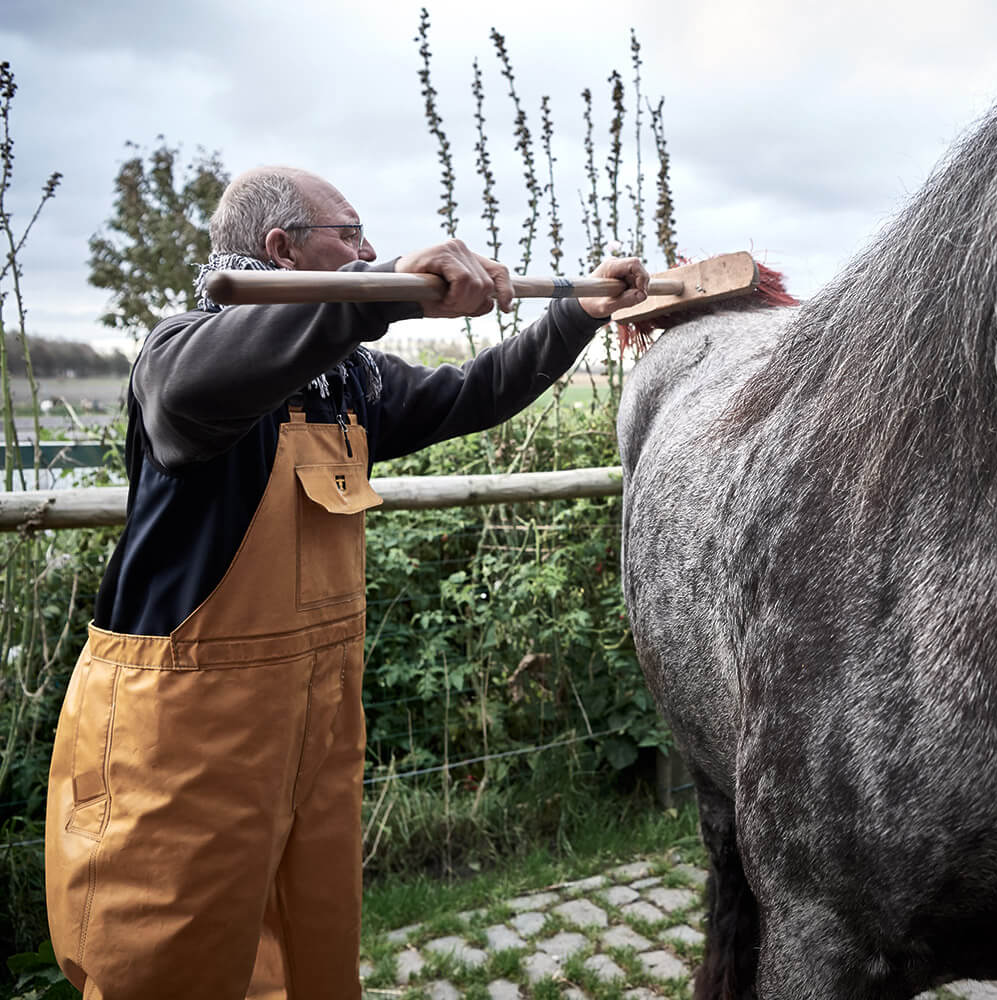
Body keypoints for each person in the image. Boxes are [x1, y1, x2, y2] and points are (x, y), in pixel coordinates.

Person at [43, 165, 650, 1000]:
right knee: (166, 970)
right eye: (351, 235)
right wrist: (385, 289)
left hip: (308, 735)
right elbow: (209, 378)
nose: (366, 251)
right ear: (281, 248)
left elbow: (473, 393)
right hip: (177, 749)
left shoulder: (346, 384)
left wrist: (574, 315)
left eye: (369, 243)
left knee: (308, 960)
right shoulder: (181, 358)